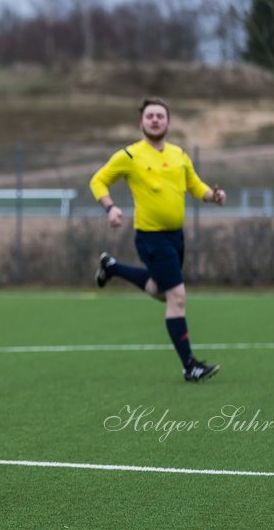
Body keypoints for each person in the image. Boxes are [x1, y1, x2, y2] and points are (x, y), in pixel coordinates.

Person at [89, 98, 226, 382]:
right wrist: (111, 207)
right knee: (177, 297)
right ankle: (190, 366)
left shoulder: (179, 155)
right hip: (151, 238)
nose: (154, 120)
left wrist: (213, 196)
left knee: (161, 291)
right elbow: (97, 181)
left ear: (168, 122)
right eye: (149, 116)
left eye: (160, 116)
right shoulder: (129, 156)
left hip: (176, 237)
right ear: (141, 122)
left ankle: (111, 267)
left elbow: (194, 185)